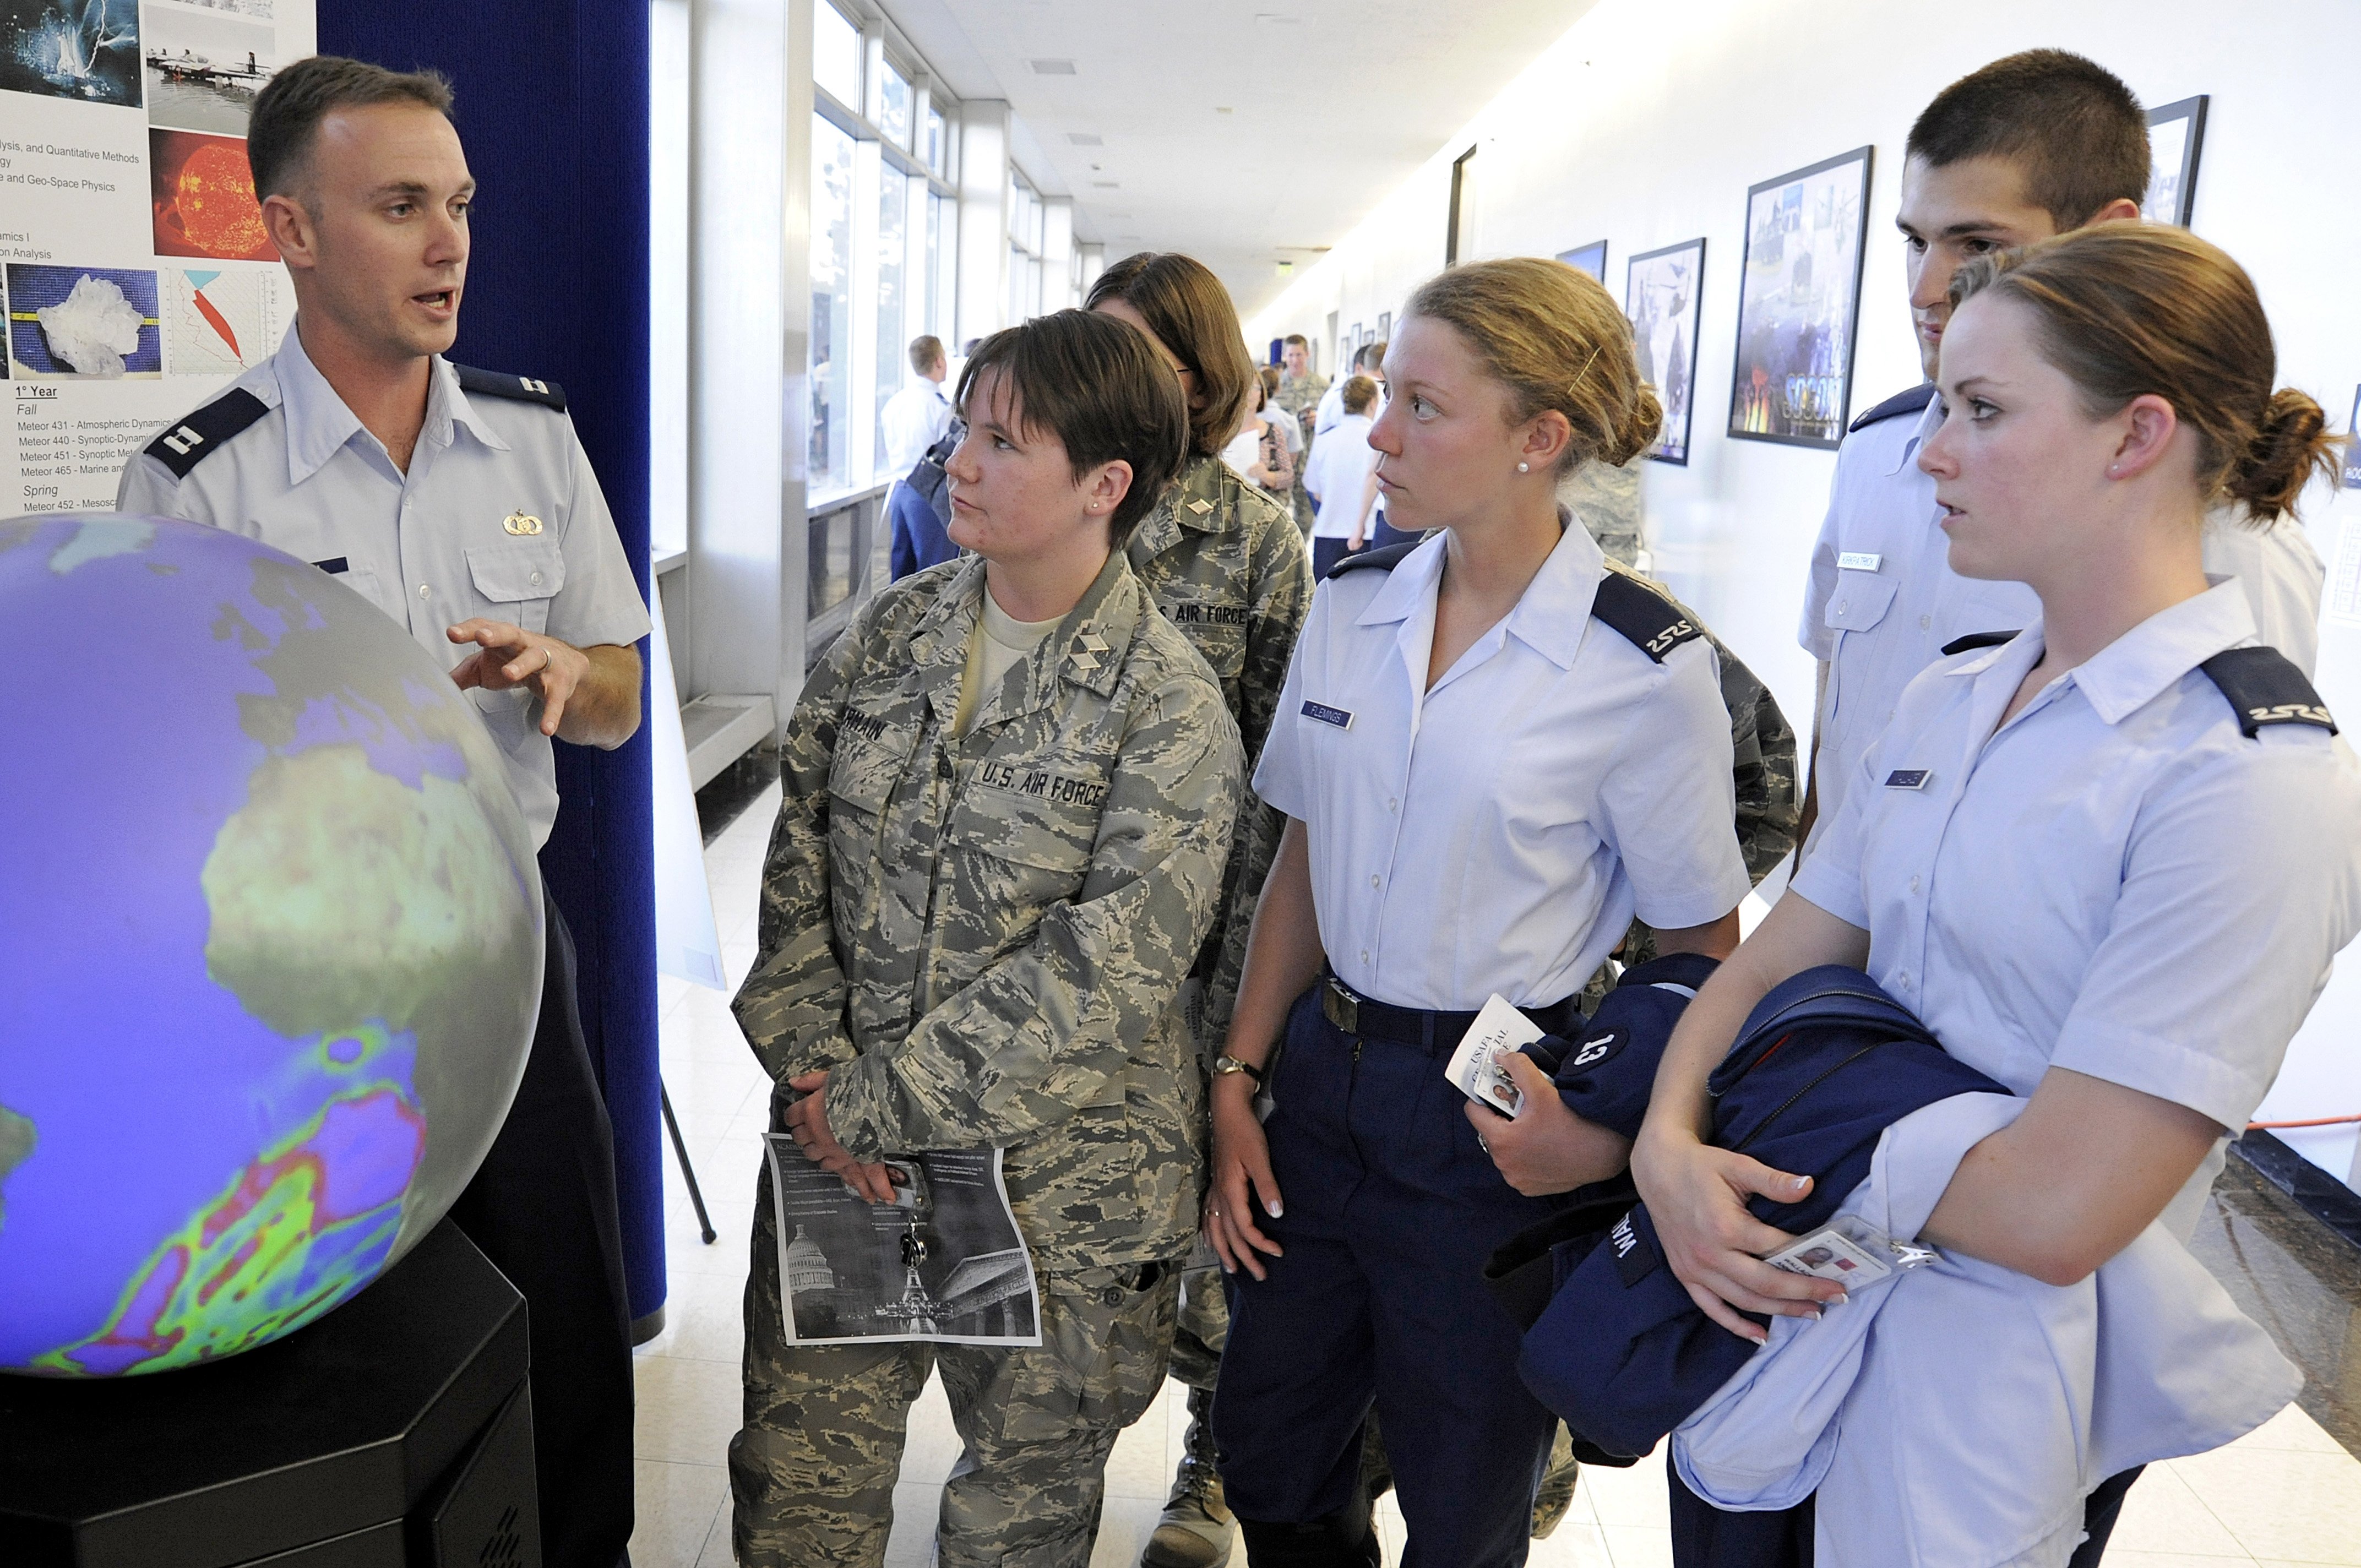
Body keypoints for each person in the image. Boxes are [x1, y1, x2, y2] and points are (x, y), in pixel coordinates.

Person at [1635, 224, 2360, 1566]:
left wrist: (1784, 1110)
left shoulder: (2246, 776)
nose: (1929, 450)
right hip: (1775, 1319)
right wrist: (1668, 1144)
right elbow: (1764, 968)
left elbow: (2051, 1208)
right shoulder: (1950, 694)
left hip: (1978, 1392)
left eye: (1981, 410)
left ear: (2133, 435)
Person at [115, 56, 646, 1568]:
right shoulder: (201, 489)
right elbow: (169, 787)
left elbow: (617, 688)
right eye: (400, 206)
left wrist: (566, 674)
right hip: (305, 989)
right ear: (288, 231)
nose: (448, 243)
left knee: (566, 1308)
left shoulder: (532, 439)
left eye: (459, 205)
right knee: (357, 1351)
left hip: (503, 947)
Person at [1206, 257, 1753, 1567]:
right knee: (1270, 1453)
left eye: (1423, 406)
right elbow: (1302, 856)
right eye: (1386, 395)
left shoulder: (1642, 669)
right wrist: (1237, 1069)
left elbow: (1699, 949)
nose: (1378, 435)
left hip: (1494, 1103)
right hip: (1317, 1084)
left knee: (1461, 1497)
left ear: (1537, 439)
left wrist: (1608, 1134)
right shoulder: (1348, 606)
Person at [727, 308, 1245, 1567]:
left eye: (1002, 440)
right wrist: (812, 1069)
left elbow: (1106, 975)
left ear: (1103, 486)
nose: (958, 459)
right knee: (801, 1484)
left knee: (1018, 1510)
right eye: (963, 426)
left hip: (1053, 1194)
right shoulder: (892, 634)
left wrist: (872, 1100)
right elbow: (795, 855)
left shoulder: (1166, 707)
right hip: (838, 1153)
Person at [1796, 50, 2325, 855]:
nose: (1924, 289)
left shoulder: (2204, 512)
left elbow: (2239, 820)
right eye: (1915, 241)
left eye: (1974, 242)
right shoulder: (1874, 453)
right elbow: (1839, 718)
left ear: (2105, 234)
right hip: (1829, 947)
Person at [1084, 252, 1313, 1568]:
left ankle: (1211, 1469)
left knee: (1231, 1234)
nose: (1113, 379)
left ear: (1200, 377)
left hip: (1208, 948)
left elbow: (1289, 785)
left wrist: (1254, 993)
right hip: (1062, 948)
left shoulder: (1253, 542)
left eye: (1145, 356)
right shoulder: (1053, 500)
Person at [1304, 374, 1380, 580]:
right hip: (1367, 533)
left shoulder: (1325, 439)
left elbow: (1314, 490)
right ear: (1373, 403)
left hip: (1328, 531)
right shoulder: (1376, 441)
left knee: (1326, 603)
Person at [888, 420, 962, 580]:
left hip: (901, 489)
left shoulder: (893, 405)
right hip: (930, 493)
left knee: (902, 566)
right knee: (936, 568)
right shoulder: (940, 407)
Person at [1272, 334, 1330, 535]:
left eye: (1299, 354)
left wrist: (1319, 419)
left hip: (1310, 457)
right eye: (1291, 355)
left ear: (1307, 354)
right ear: (1285, 356)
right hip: (1281, 458)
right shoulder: (1276, 386)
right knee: (1275, 512)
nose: (1295, 360)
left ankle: (1300, 556)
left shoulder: (1321, 386)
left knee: (1305, 514)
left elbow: (1331, 421)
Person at [880, 333, 954, 477]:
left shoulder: (894, 403)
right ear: (939, 362)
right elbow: (949, 456)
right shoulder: (941, 409)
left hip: (898, 488)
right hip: (928, 489)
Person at [1222, 374, 1297, 496]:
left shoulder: (1273, 432)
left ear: (1261, 396)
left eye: (1254, 388)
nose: (1248, 394)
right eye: (1244, 388)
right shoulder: (1220, 431)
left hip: (1261, 506)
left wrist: (1266, 475)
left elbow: (1289, 476)